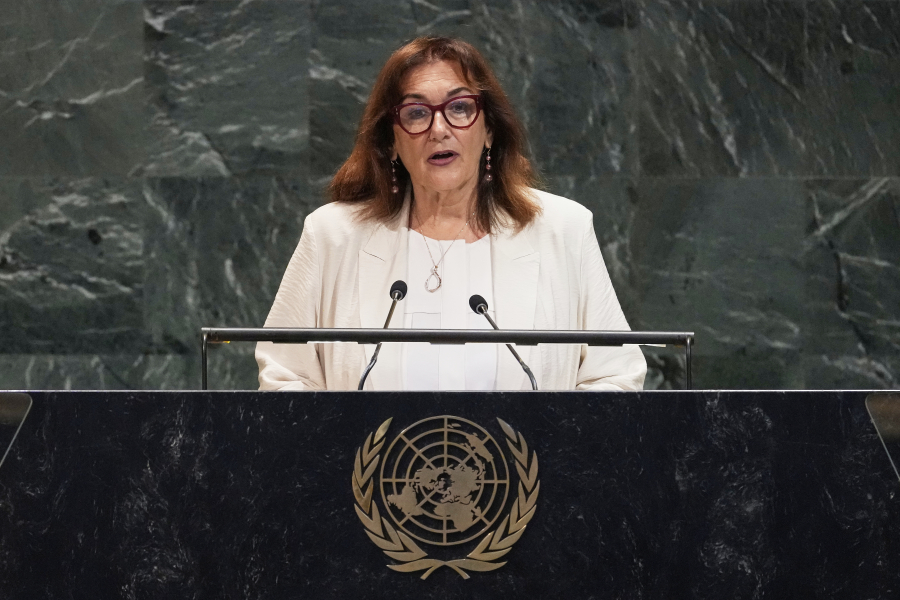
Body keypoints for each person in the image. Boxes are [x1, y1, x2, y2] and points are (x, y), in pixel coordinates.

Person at [256, 36, 646, 391]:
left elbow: (615, 377)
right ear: (391, 141)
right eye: (416, 113)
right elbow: (284, 379)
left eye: (459, 108)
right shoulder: (332, 236)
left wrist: (551, 445)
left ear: (489, 130)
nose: (439, 128)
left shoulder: (564, 230)